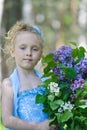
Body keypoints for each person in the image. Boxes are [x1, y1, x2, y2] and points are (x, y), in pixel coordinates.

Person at [1, 21, 57, 130]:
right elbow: (7, 120)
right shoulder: (9, 84)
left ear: (41, 54)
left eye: (35, 49)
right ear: (12, 51)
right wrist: (37, 127)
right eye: (23, 48)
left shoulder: (46, 82)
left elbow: (54, 112)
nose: (29, 53)